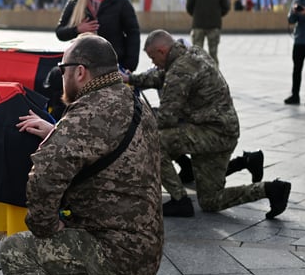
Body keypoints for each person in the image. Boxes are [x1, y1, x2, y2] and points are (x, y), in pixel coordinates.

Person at [2, 33, 206, 275]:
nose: (61, 76)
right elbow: (103, 143)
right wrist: (58, 132)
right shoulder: (131, 100)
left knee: (16, 251)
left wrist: (48, 227)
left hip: (111, 251)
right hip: (143, 250)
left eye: (62, 69)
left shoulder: (87, 112)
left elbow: (43, 179)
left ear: (80, 71)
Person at [124, 30, 291, 218]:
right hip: (223, 130)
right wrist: (131, 79)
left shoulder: (180, 70)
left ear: (162, 51)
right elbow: (161, 76)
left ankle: (180, 200)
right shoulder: (192, 53)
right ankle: (271, 189)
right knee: (211, 200)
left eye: (153, 58)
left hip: (211, 133)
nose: (153, 63)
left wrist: (137, 123)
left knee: (152, 142)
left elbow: (166, 118)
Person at [55, 0, 140, 72]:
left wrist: (130, 65)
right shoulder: (76, 0)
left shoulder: (119, 1)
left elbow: (133, 32)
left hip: (113, 63)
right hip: (84, 64)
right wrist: (77, 29)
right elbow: (60, 32)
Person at [186, 0, 230, 64]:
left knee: (213, 54)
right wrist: (197, 16)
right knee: (196, 53)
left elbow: (226, 6)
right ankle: (197, 72)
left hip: (213, 26)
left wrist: (217, 15)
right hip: (198, 26)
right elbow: (189, 7)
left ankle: (214, 73)